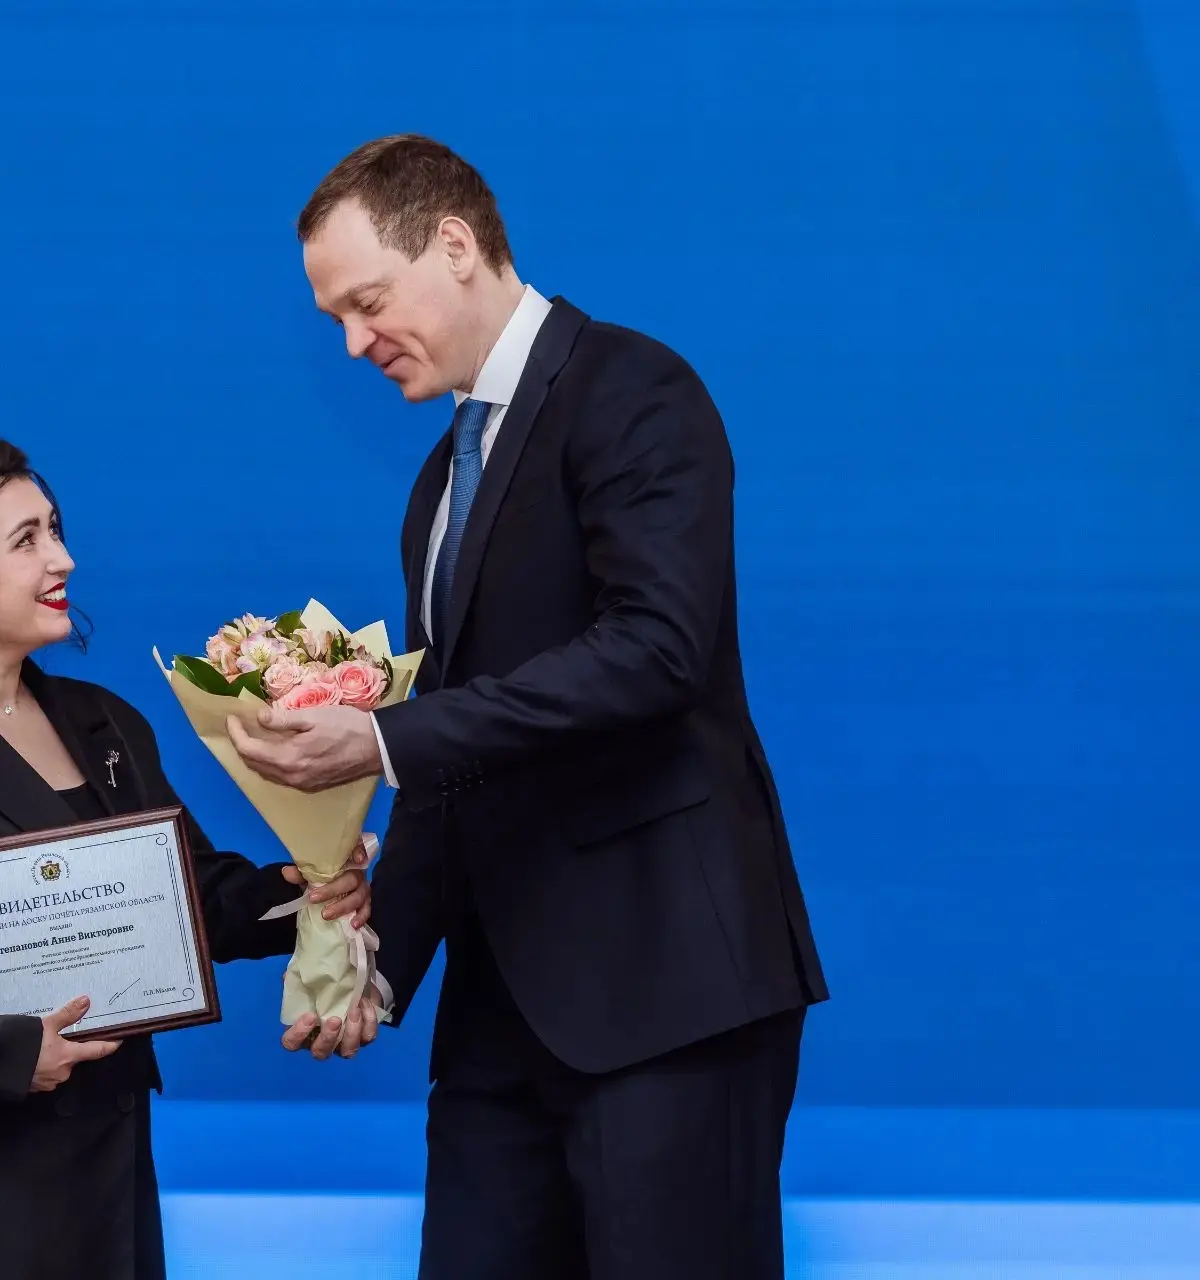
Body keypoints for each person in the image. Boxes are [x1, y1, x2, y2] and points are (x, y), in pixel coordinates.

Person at [226, 135, 829, 1278]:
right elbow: (452, 756)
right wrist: (376, 960)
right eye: (335, 319)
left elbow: (655, 651)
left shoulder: (634, 388)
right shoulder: (436, 486)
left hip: (668, 994)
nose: (352, 343)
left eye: (366, 303)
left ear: (455, 244)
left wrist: (382, 735)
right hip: (500, 1018)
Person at [0, 424, 373, 1280]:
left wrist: (306, 892)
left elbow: (188, 896)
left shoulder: (105, 722)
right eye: (27, 540)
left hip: (107, 1164)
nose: (64, 560)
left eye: (54, 528)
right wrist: (0, 1052)